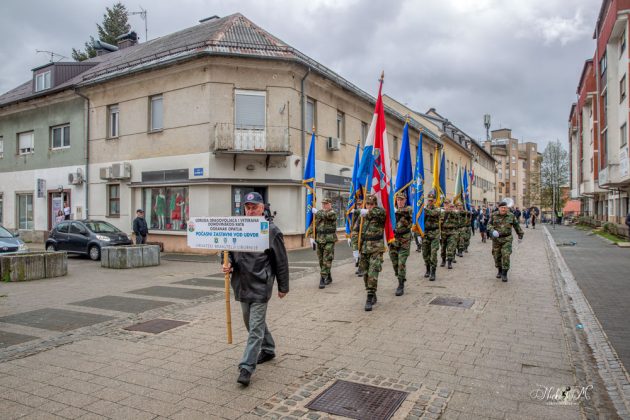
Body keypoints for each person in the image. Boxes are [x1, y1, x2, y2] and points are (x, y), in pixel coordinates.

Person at [222, 192, 289, 387]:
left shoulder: (272, 231)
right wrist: (227, 263)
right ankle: (268, 348)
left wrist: (283, 286)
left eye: (254, 207)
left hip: (260, 285)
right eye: (248, 207)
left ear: (262, 208)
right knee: (251, 323)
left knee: (255, 326)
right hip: (241, 284)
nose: (251, 211)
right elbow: (227, 250)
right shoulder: (237, 227)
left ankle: (246, 367)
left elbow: (281, 261)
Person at [358, 194, 386, 311]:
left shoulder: (379, 213)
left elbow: (380, 212)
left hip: (376, 248)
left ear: (375, 204)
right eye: (368, 204)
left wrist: (367, 212)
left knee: (373, 273)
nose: (369, 206)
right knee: (365, 274)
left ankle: (369, 298)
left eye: (372, 204)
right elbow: (356, 231)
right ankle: (372, 292)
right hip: (364, 248)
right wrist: (355, 248)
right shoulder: (362, 216)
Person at [487, 201, 524, 282]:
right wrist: (492, 230)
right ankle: (499, 270)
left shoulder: (511, 215)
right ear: (499, 208)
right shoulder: (493, 215)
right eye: (502, 208)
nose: (503, 209)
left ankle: (504, 273)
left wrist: (520, 235)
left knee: (506, 255)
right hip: (496, 240)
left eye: (505, 208)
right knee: (496, 256)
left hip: (507, 239)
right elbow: (489, 225)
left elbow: (516, 226)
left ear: (507, 208)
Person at [389, 192, 413, 296]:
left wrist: (394, 210)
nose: (399, 201)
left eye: (402, 199)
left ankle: (400, 285)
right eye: (398, 199)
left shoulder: (408, 209)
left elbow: (407, 211)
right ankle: (401, 277)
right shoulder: (392, 210)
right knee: (395, 263)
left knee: (401, 263)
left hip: (404, 241)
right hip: (394, 240)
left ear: (405, 200)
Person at [312, 197, 338, 289]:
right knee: (321, 260)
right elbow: (314, 225)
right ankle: (328, 275)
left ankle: (322, 279)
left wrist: (316, 212)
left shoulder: (333, 213)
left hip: (329, 240)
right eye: (323, 204)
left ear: (330, 204)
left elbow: (326, 215)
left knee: (327, 259)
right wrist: (312, 237)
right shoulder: (320, 213)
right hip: (320, 239)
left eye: (326, 204)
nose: (324, 205)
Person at [421, 191, 441, 281]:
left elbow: (433, 213)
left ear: (434, 201)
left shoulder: (437, 209)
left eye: (431, 201)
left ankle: (433, 272)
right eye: (428, 200)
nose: (430, 202)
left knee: (433, 253)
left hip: (434, 234)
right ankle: (428, 269)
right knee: (425, 253)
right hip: (425, 233)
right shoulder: (423, 210)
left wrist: (422, 209)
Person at [440, 200, 458, 269]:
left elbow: (456, 216)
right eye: (445, 203)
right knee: (443, 248)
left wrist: (449, 210)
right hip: (443, 233)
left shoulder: (454, 213)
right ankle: (443, 260)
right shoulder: (442, 213)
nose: (446, 205)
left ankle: (449, 262)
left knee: (450, 248)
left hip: (452, 232)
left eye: (447, 204)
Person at [351, 198, 364, 276]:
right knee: (357, 252)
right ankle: (360, 267)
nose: (359, 206)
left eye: (360, 204)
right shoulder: (355, 213)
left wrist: (356, 211)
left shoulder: (363, 212)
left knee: (362, 252)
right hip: (355, 234)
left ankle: (362, 269)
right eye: (357, 204)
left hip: (362, 234)